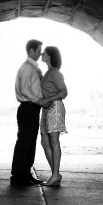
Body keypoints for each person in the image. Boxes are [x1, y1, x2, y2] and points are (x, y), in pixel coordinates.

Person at [10, 39, 52, 186]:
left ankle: (25, 174)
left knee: (30, 142)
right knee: (24, 142)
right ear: (31, 51)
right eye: (39, 50)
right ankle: (18, 177)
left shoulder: (33, 68)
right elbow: (24, 90)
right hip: (28, 108)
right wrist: (39, 101)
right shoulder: (27, 68)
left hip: (32, 109)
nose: (41, 53)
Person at [39, 46, 68, 186]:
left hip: (54, 107)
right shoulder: (47, 73)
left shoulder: (55, 73)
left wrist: (47, 100)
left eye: (44, 52)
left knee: (54, 141)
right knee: (45, 142)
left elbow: (64, 92)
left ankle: (55, 175)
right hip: (46, 109)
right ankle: (55, 174)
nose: (41, 53)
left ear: (49, 56)